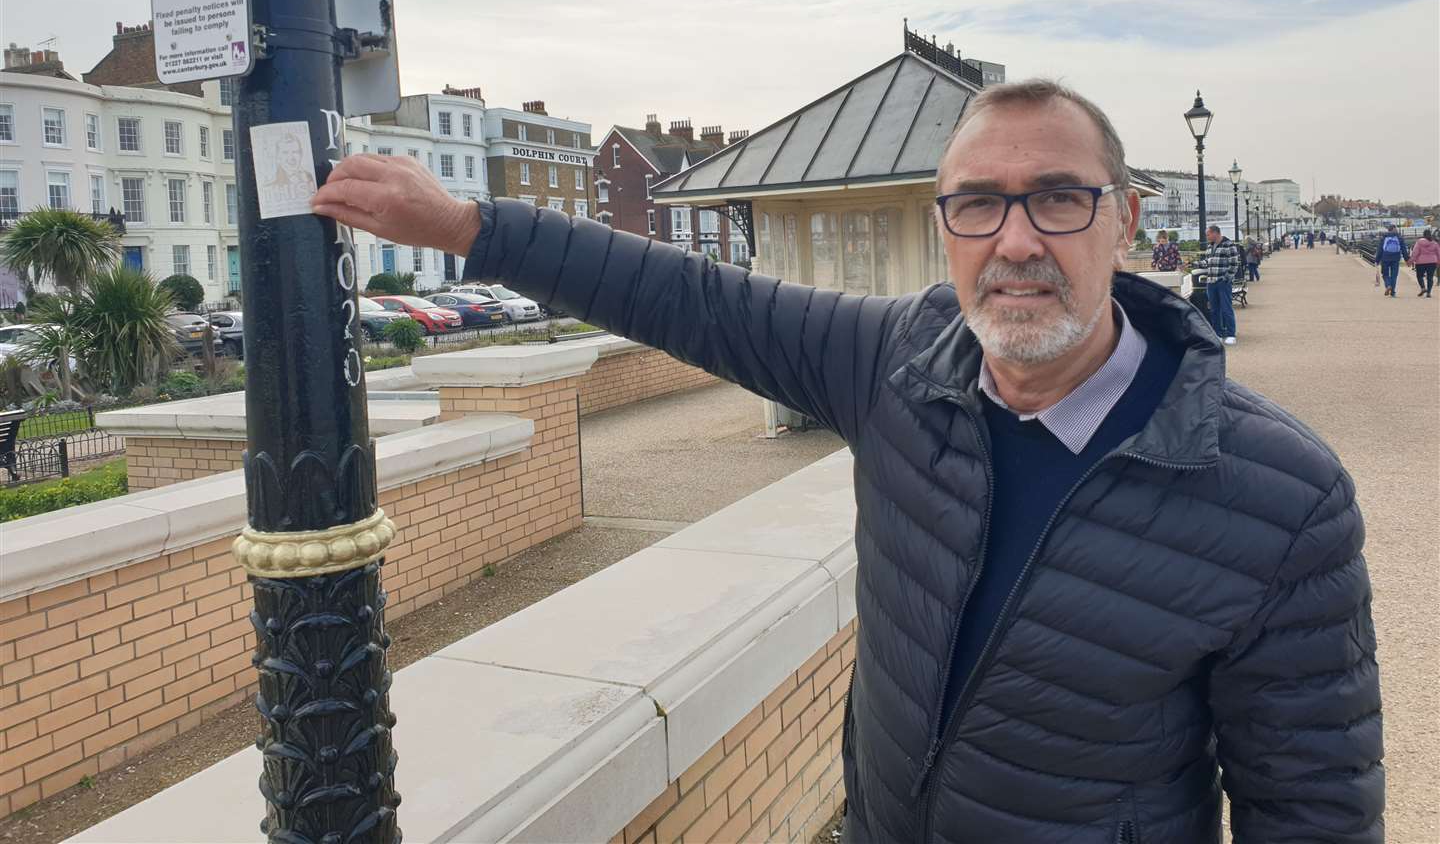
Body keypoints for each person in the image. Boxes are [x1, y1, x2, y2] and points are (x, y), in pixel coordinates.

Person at [313, 79, 1383, 843]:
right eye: (978, 204)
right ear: (947, 226)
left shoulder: (1278, 497)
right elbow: (690, 298)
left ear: (1126, 218)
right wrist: (467, 225)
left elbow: (1314, 809)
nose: (1015, 241)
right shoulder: (899, 361)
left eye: (1057, 198)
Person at [1200, 223, 1243, 345]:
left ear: (1215, 233)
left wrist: (1226, 278)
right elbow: (1208, 262)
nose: (1207, 237)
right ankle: (1217, 334)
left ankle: (1231, 334)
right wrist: (1195, 264)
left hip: (1222, 282)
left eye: (1208, 234)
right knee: (1214, 310)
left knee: (1226, 308)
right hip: (1211, 282)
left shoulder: (1229, 245)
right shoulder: (1210, 246)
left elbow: (1235, 263)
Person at [1376, 223, 1409, 297]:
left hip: (1385, 258)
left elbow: (1380, 250)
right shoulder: (1399, 237)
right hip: (1396, 258)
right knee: (1394, 275)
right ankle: (1393, 292)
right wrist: (1407, 260)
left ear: (1388, 230)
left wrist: (1377, 260)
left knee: (1385, 274)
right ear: (1395, 229)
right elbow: (1404, 250)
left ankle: (1388, 285)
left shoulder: (1384, 237)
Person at [1409, 228, 1438, 297]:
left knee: (1419, 276)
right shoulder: (1434, 243)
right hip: (1432, 262)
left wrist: (1411, 261)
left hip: (1420, 262)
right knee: (1430, 277)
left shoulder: (1419, 242)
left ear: (1423, 235)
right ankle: (1429, 292)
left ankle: (1423, 287)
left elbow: (1415, 252)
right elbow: (1438, 253)